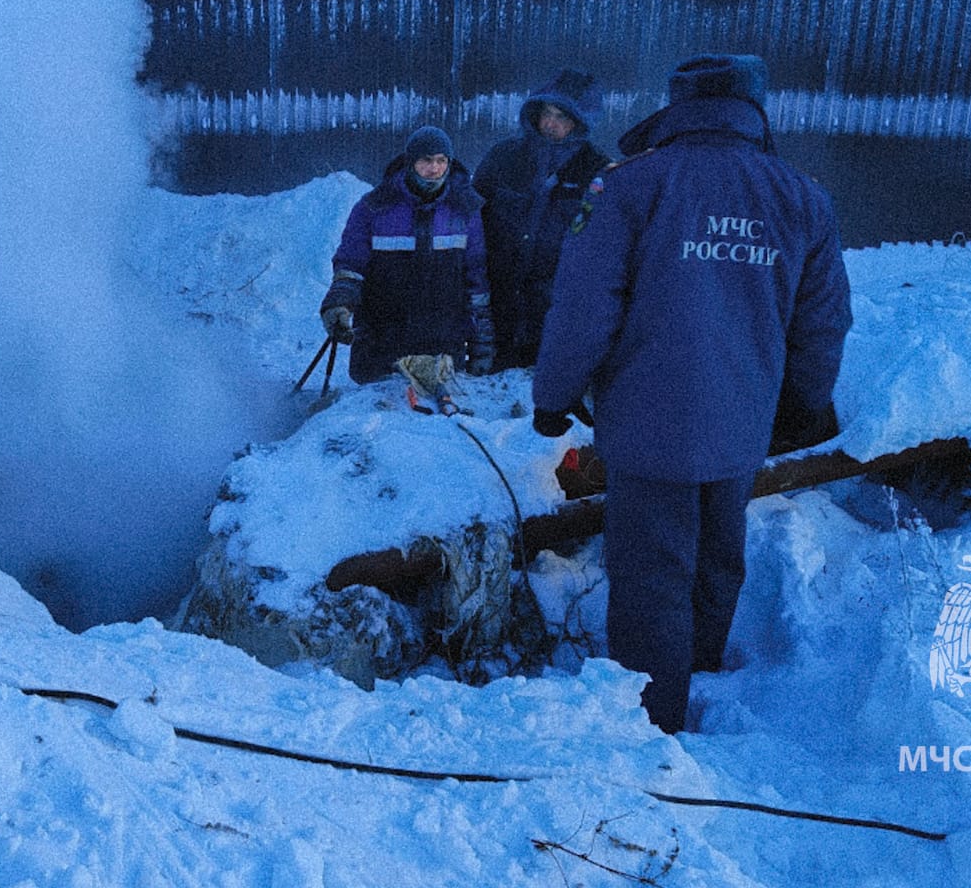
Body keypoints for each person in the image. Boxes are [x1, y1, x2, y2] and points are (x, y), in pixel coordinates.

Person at [531, 54, 852, 733]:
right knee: (716, 551)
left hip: (647, 423)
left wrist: (554, 396)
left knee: (653, 573)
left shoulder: (630, 185)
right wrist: (804, 404)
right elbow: (821, 320)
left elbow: (584, 307)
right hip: (741, 419)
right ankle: (701, 670)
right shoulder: (800, 196)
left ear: (677, 104)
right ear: (753, 108)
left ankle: (651, 723)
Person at [320, 125, 496, 384]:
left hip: (443, 347)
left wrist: (483, 346)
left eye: (441, 161)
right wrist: (339, 302)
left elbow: (476, 279)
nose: (434, 169)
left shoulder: (465, 210)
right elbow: (350, 264)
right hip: (381, 343)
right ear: (411, 162)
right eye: (426, 160)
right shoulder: (374, 207)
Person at [473, 70, 610, 369]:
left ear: (579, 122)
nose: (550, 123)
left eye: (562, 117)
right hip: (497, 311)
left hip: (554, 318)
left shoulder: (596, 170)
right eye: (547, 113)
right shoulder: (503, 157)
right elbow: (469, 215)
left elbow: (606, 249)